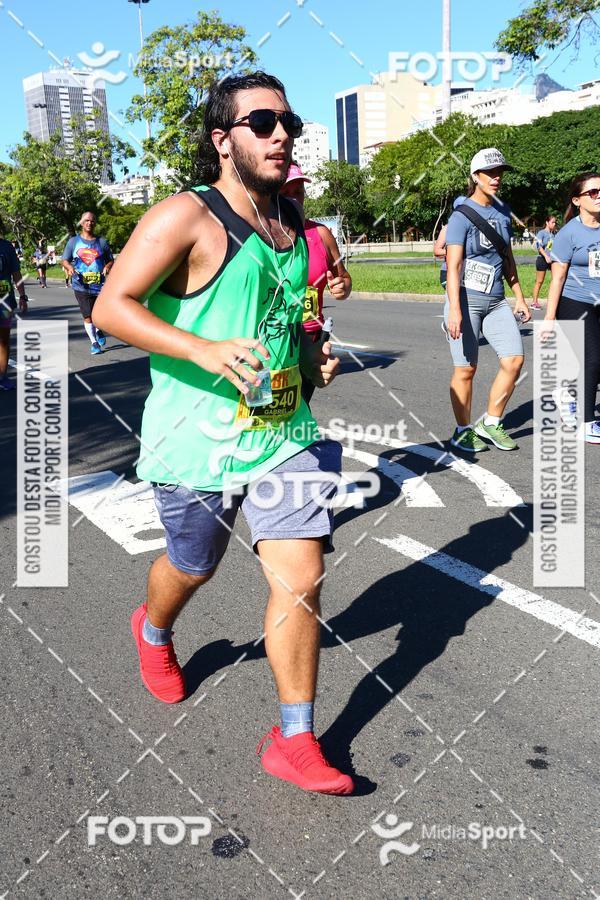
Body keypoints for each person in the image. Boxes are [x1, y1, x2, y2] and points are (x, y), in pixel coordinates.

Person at [92, 71, 354, 795]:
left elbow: (292, 329)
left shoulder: (299, 235)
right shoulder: (185, 216)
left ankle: (295, 738)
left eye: (289, 123)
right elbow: (113, 307)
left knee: (302, 581)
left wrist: (313, 359)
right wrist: (202, 350)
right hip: (193, 441)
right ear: (222, 139)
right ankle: (152, 626)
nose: (280, 136)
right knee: (193, 565)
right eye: (262, 122)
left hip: (283, 432)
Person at [444, 148, 531, 452]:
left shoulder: (503, 213)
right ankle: (462, 430)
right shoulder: (461, 215)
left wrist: (518, 297)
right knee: (466, 368)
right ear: (475, 177)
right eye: (490, 173)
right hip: (466, 301)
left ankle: (491, 423)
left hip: (496, 302)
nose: (496, 178)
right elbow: (453, 266)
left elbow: (507, 257)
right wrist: (454, 309)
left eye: (500, 173)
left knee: (514, 360)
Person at [279, 162, 351, 403]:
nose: (293, 199)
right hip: (277, 341)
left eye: (298, 192)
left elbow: (343, 276)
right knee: (271, 417)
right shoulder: (261, 233)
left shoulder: (319, 233)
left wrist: (342, 287)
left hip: (312, 339)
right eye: (285, 193)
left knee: (301, 407)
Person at [545, 172, 600, 443]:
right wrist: (549, 318)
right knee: (593, 358)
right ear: (577, 200)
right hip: (575, 301)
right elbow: (557, 278)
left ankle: (567, 394)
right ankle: (587, 422)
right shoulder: (568, 233)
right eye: (593, 192)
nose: (599, 195)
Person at [61, 213, 113, 354]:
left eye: (92, 221)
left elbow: (110, 259)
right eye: (86, 221)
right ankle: (94, 343)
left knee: (98, 314)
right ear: (81, 223)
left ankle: (98, 328)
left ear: (95, 223)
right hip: (80, 285)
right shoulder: (73, 242)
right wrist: (70, 268)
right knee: (87, 315)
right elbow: (64, 260)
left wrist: (107, 266)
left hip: (99, 285)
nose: (89, 223)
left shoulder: (101, 242)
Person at [0, 223, 28, 390]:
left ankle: (2, 377)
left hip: (4, 302)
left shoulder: (6, 247)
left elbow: (16, 273)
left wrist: (22, 295)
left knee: (3, 340)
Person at [434, 195, 467, 291]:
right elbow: (437, 251)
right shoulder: (448, 228)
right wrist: (454, 252)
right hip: (448, 271)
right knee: (453, 302)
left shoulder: (474, 228)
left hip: (468, 273)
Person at [531, 214, 557, 309]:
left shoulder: (554, 234)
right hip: (542, 259)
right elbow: (539, 246)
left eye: (555, 222)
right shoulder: (541, 233)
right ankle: (534, 303)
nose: (554, 224)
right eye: (552, 222)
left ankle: (552, 302)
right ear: (547, 222)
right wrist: (546, 256)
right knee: (539, 281)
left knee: (555, 280)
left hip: (552, 260)